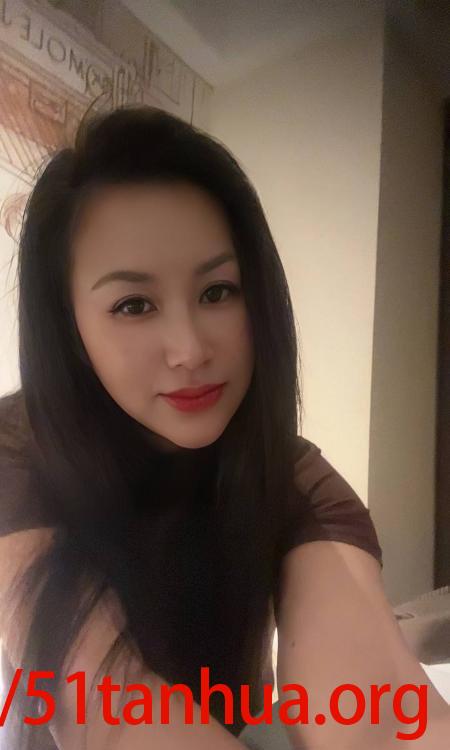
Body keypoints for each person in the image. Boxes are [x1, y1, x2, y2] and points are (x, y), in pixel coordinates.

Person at [0, 105, 447, 750]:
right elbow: (107, 706)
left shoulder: (291, 475)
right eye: (133, 304)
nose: (190, 349)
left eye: (217, 292)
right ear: (70, 330)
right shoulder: (18, 451)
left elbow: (379, 715)